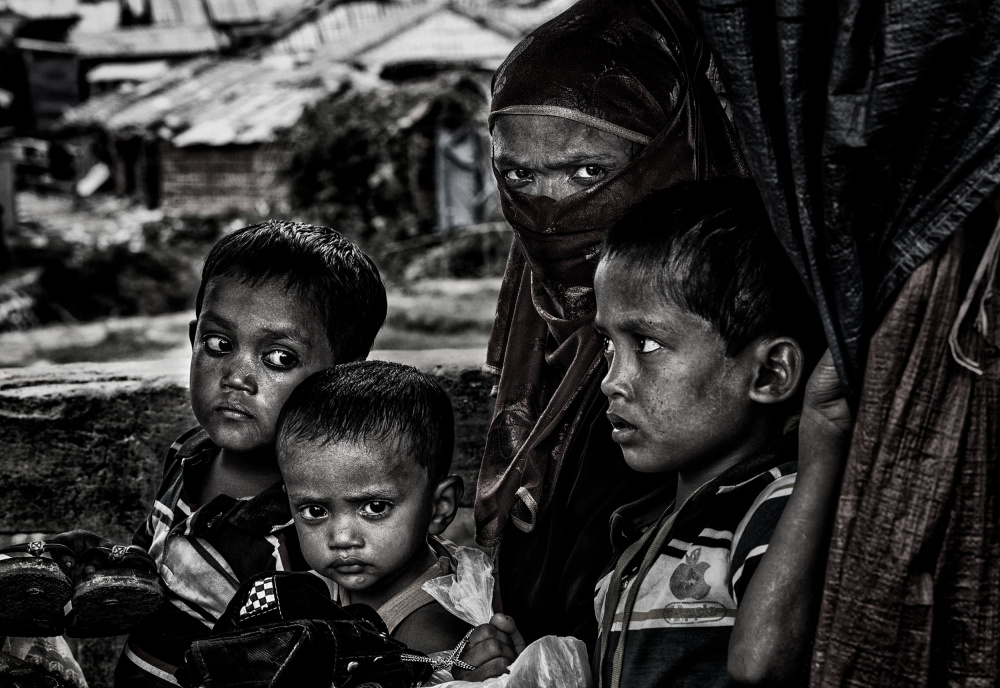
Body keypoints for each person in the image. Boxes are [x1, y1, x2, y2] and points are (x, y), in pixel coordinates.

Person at [476, 0, 747, 652]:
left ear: (670, 155)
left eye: (589, 172)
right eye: (519, 175)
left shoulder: (722, 359)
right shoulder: (542, 348)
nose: (549, 210)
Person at [590, 179, 848, 686]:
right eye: (608, 344)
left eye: (646, 344)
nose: (611, 380)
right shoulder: (646, 527)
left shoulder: (780, 503)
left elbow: (761, 663)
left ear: (770, 373)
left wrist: (822, 449)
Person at [113, 220, 388, 686]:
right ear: (193, 339)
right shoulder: (188, 455)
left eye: (279, 357)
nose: (236, 377)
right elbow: (149, 557)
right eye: (218, 345)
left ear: (342, 376)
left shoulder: (313, 521)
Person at [273, 360, 472, 656]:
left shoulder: (431, 637)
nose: (342, 538)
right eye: (315, 511)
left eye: (375, 507)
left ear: (440, 506)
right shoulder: (307, 588)